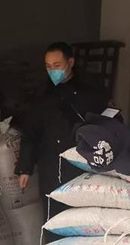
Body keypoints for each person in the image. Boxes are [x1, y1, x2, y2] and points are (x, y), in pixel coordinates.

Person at [14, 42, 110, 221]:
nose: (52, 71)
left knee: (83, 218)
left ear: (70, 62)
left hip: (82, 167)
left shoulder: (91, 94)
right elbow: (31, 133)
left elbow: (107, 126)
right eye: (48, 66)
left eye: (57, 65)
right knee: (54, 218)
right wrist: (25, 168)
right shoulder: (43, 97)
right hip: (50, 167)